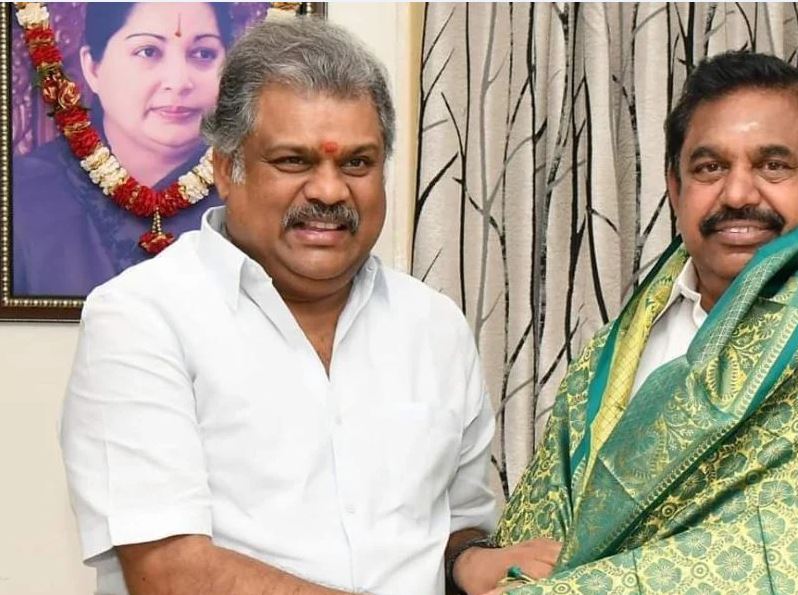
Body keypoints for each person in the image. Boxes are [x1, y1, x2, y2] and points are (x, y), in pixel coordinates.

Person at [60, 17, 555, 595]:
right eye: (294, 161)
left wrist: (472, 559)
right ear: (226, 170)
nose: (329, 190)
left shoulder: (434, 326)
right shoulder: (141, 319)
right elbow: (169, 572)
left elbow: (451, 525)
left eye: (357, 163)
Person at [463, 51, 798, 594]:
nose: (737, 194)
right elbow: (536, 545)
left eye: (773, 166)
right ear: (675, 186)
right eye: (710, 168)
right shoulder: (610, 358)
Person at [12, 3, 232, 297]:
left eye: (203, 54)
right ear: (93, 69)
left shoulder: (255, 188)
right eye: (148, 52)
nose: (179, 82)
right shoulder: (21, 196)